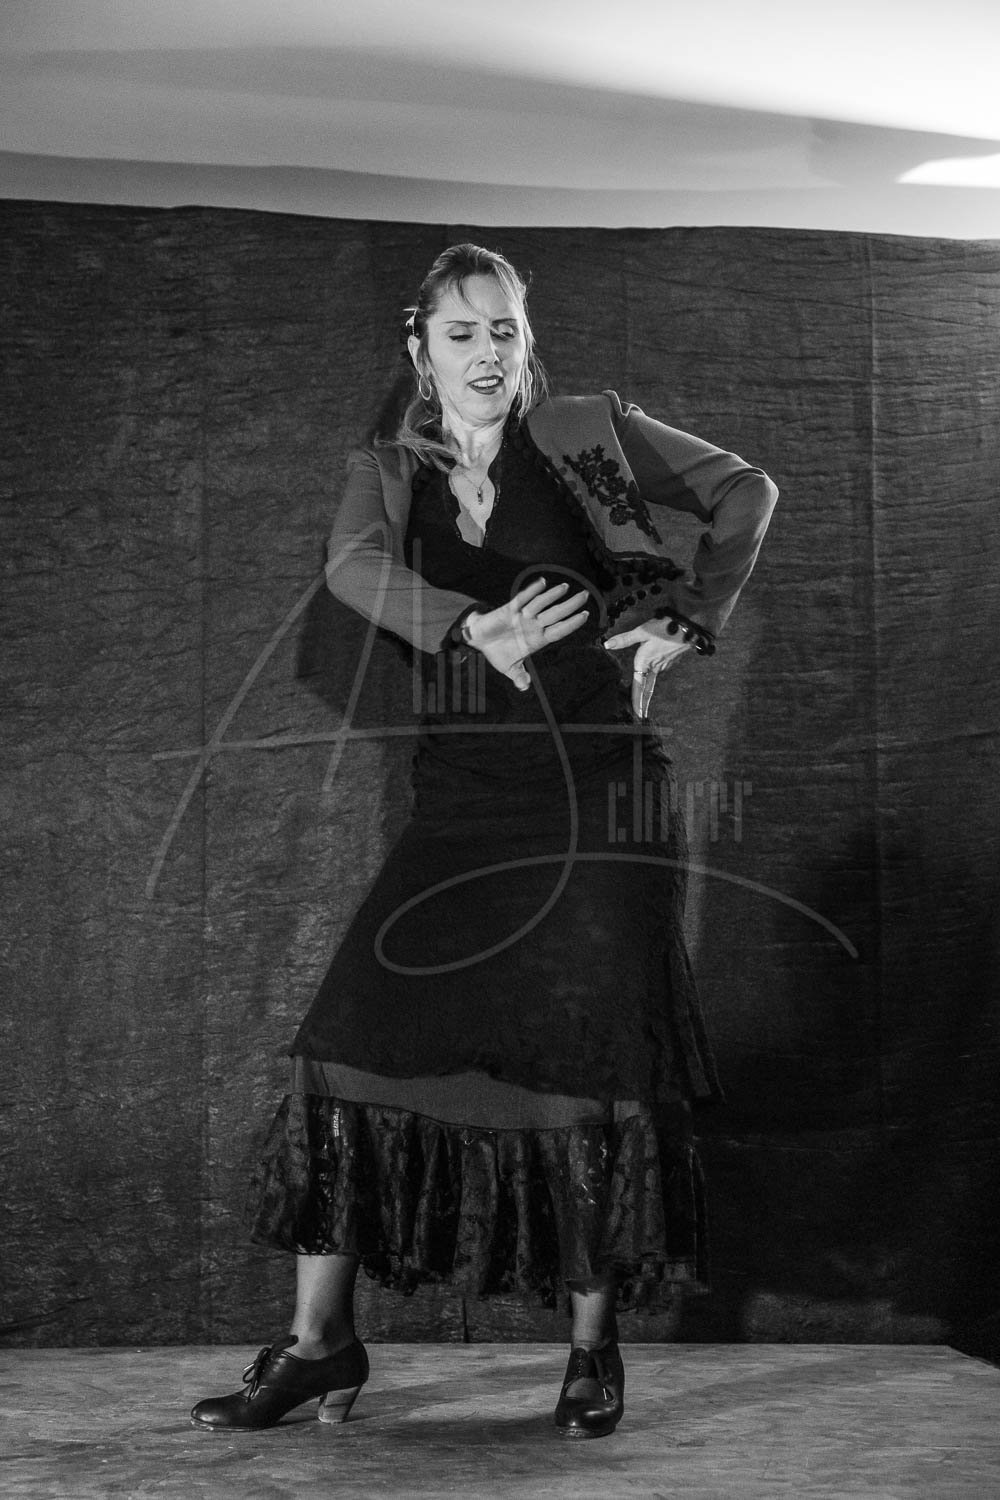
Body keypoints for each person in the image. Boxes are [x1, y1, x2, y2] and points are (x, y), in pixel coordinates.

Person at [191, 243, 777, 1439]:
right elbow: (350, 567)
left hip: (596, 796)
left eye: (504, 329)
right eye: (461, 332)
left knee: (589, 1069)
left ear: (525, 341)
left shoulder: (583, 434)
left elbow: (745, 493)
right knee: (346, 1050)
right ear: (419, 348)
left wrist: (687, 614)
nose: (487, 352)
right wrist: (471, 629)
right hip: (462, 805)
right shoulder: (385, 473)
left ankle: (591, 1350)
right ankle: (319, 1346)